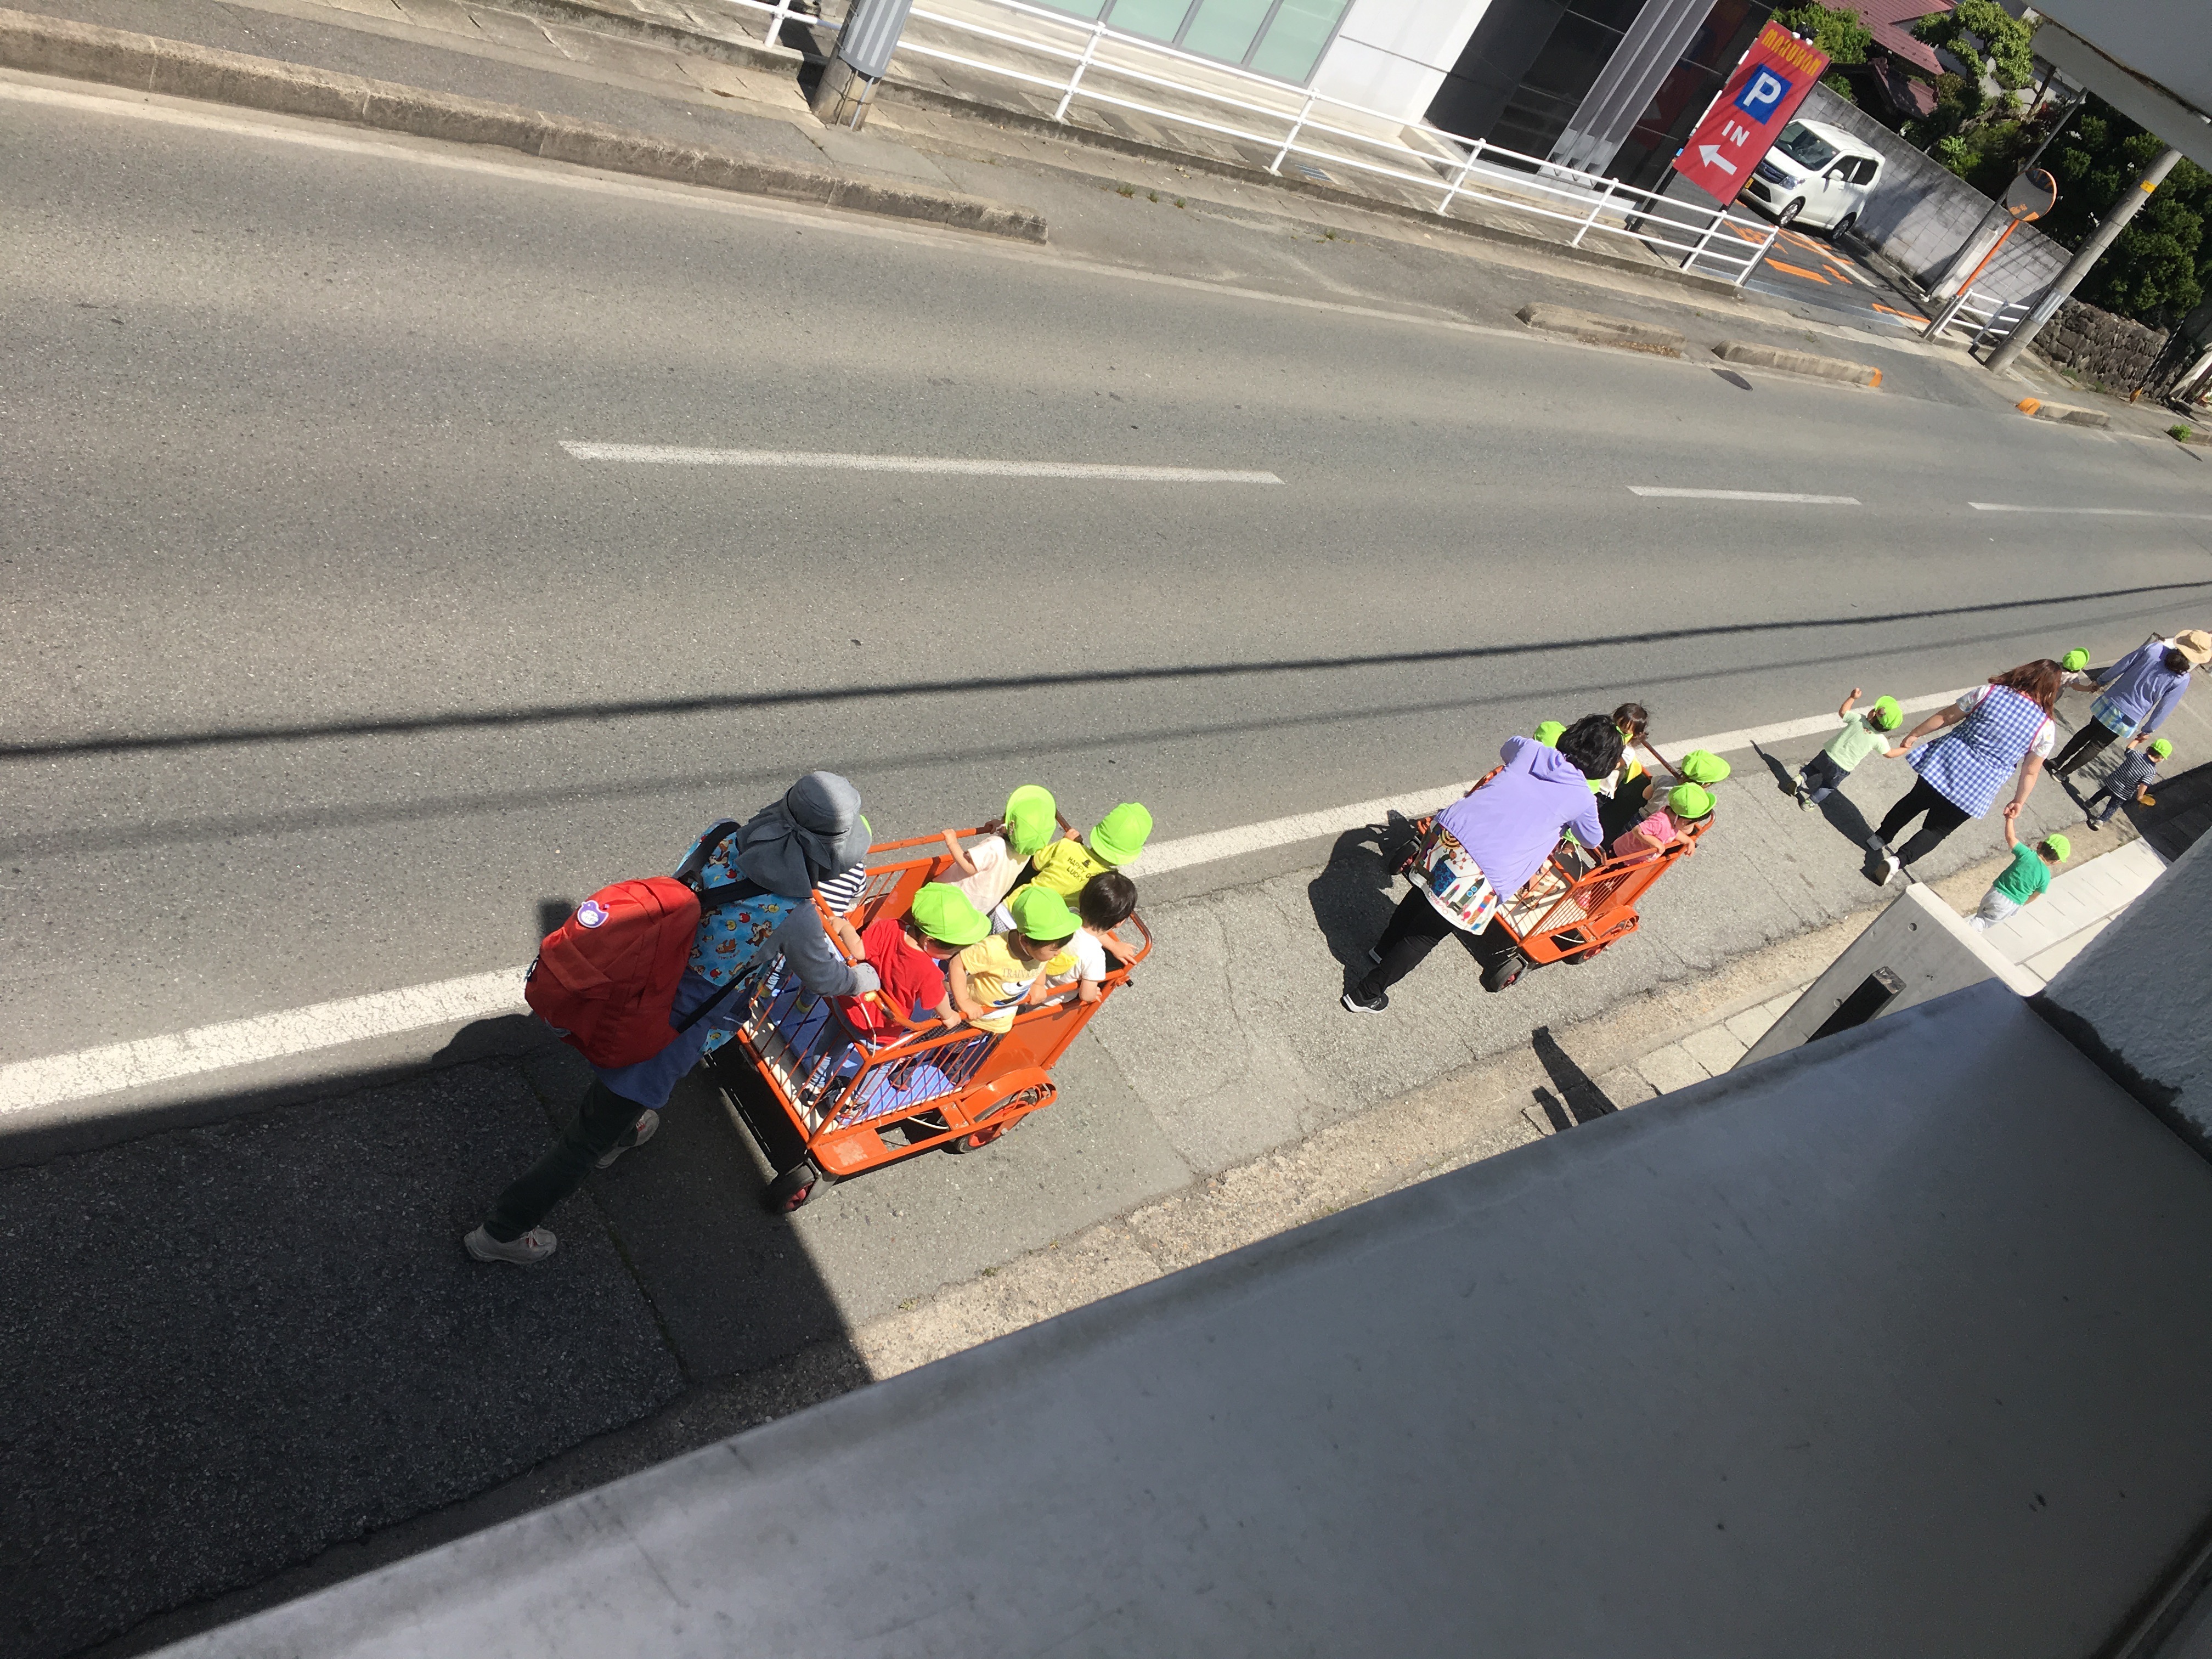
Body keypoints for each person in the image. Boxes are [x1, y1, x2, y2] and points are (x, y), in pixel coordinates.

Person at [465, 773, 878, 1267]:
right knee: (584, 1141)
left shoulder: (722, 835)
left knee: (616, 1095)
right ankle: (502, 1231)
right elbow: (825, 977)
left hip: (642, 980)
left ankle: (621, 1129)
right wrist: (863, 979)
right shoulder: (793, 913)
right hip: (671, 1023)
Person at [1342, 714, 1620, 1013]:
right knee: (1428, 932)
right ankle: (1366, 994)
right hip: (1484, 867)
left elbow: (1507, 748)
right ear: (1604, 763)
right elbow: (1592, 838)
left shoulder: (1531, 750)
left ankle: (1382, 950)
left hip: (1448, 834)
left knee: (1422, 895)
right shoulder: (1582, 799)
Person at [1867, 661, 2062, 886]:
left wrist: (1915, 734)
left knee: (1913, 802)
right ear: (2051, 691)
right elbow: (2030, 771)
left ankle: (1880, 837)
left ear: (2024, 673)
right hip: (1978, 787)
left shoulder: (1990, 692)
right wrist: (2019, 801)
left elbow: (1948, 716)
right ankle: (1897, 861)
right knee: (1937, 830)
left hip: (1946, 763)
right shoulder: (2045, 728)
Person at [832, 882, 992, 1042]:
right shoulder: (929, 971)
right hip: (878, 1026)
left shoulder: (890, 926)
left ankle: (820, 1059)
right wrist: (949, 1016)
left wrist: (845, 927)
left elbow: (858, 951)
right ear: (929, 941)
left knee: (832, 1040)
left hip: (850, 1000)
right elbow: (939, 998)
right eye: (953, 951)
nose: (953, 955)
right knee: (879, 1057)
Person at [2050, 631, 2209, 782]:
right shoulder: (2182, 679)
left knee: (2089, 730)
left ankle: (2057, 761)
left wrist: (2100, 681)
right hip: (2130, 716)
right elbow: (2164, 707)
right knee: (2097, 745)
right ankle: (2062, 774)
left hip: (2112, 699)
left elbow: (2123, 664)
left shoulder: (2155, 649)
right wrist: (2148, 729)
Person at [952, 885, 1081, 1034]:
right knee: (938, 1041)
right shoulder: (993, 949)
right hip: (966, 1017)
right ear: (1026, 940)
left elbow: (1042, 962)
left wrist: (1039, 984)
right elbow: (957, 964)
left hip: (999, 1021)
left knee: (969, 1046)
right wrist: (964, 1002)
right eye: (1054, 949)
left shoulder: (1039, 953)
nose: (1058, 953)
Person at [940, 786, 1057, 913]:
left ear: (1008, 826)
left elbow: (969, 867)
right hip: (982, 905)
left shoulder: (995, 846)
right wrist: (1000, 826)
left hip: (958, 895)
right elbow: (1017, 835)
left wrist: (952, 842)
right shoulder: (1026, 852)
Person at [1796, 688, 1905, 808]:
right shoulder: (1880, 739)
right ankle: (1809, 803)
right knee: (1828, 786)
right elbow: (1890, 754)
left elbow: (1843, 712)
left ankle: (1800, 778)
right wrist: (1905, 748)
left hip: (1829, 754)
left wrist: (1852, 698)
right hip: (1843, 767)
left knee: (1813, 767)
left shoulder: (1859, 719)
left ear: (1873, 714)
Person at [1028, 803, 1153, 898]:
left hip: (1020, 899)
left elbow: (1035, 864)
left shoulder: (1067, 846)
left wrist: (1064, 842)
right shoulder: (1107, 885)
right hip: (1049, 922)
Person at [1968, 828, 2069, 931]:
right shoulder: (2046, 877)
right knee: (1983, 922)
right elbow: (2034, 895)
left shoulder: (2027, 854)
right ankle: (1965, 933)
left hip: (1995, 892)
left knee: (1981, 915)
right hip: (2010, 903)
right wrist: (2020, 905)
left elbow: (2010, 838)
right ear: (2057, 862)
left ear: (2040, 845)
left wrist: (2009, 820)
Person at [2085, 737, 2171, 831]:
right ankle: (2100, 821)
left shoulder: (2136, 755)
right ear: (2160, 759)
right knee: (2112, 807)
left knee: (2102, 793)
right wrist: (2140, 796)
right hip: (2124, 792)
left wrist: (2138, 740)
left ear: (2149, 749)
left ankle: (2091, 802)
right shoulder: (2151, 771)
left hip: (2113, 782)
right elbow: (2144, 784)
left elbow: (2129, 748)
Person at [1610, 782, 1714, 859]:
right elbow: (1638, 830)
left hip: (1633, 857)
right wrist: (1657, 843)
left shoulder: (1672, 819)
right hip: (1621, 855)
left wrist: (1688, 841)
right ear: (1685, 822)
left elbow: (1673, 833)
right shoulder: (1660, 821)